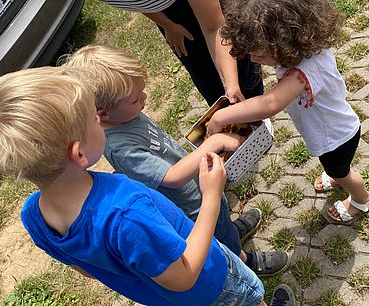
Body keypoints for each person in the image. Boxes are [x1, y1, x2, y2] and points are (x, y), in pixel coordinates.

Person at [0, 66, 295, 306]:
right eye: (93, 120)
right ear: (79, 153)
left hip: (161, 290)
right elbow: (184, 274)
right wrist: (211, 197)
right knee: (248, 295)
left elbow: (84, 269)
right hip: (206, 271)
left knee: (195, 300)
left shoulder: (33, 217)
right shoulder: (126, 211)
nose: (102, 121)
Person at [64, 44, 289, 277]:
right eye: (134, 99)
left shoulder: (124, 116)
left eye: (141, 90)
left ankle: (229, 231)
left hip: (199, 187)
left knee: (220, 217)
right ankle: (242, 260)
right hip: (190, 205)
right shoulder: (121, 148)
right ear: (102, 114)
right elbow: (172, 177)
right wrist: (215, 142)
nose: (144, 97)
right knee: (216, 232)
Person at [207, 0, 369, 225]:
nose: (254, 60)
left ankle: (361, 199)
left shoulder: (303, 72)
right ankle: (336, 175)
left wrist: (220, 116)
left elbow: (271, 103)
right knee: (334, 166)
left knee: (342, 170)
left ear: (284, 42)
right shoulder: (306, 51)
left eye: (260, 55)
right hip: (334, 130)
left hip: (336, 138)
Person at [99, 0, 263, 106]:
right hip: (171, 15)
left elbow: (215, 27)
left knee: (242, 74)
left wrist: (232, 85)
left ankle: (257, 110)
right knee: (208, 81)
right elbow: (139, 3)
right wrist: (168, 25)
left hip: (205, 8)